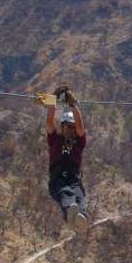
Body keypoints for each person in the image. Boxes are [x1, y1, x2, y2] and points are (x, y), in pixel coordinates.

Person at [38, 85, 89, 231]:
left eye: (72, 127)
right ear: (63, 127)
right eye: (67, 127)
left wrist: (74, 106)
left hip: (74, 179)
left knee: (79, 197)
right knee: (66, 195)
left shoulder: (79, 142)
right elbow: (49, 122)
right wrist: (52, 101)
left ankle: (81, 219)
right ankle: (70, 212)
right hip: (58, 180)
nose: (71, 130)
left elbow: (80, 127)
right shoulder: (55, 139)